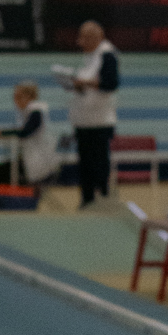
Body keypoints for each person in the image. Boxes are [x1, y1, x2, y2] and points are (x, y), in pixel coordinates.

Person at [52, 20, 120, 206]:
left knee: (98, 163)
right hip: (84, 121)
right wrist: (75, 84)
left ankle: (102, 198)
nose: (79, 43)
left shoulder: (107, 55)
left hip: (99, 122)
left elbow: (110, 84)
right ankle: (87, 199)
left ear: (95, 38)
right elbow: (91, 85)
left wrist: (83, 83)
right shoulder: (90, 58)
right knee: (85, 164)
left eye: (83, 38)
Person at [0, 80, 60, 195]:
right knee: (0, 170)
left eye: (19, 97)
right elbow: (20, 132)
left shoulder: (36, 111)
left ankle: (8, 202)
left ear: (30, 97)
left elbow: (25, 132)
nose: (16, 100)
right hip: (34, 159)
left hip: (40, 162)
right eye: (15, 97)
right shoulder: (28, 113)